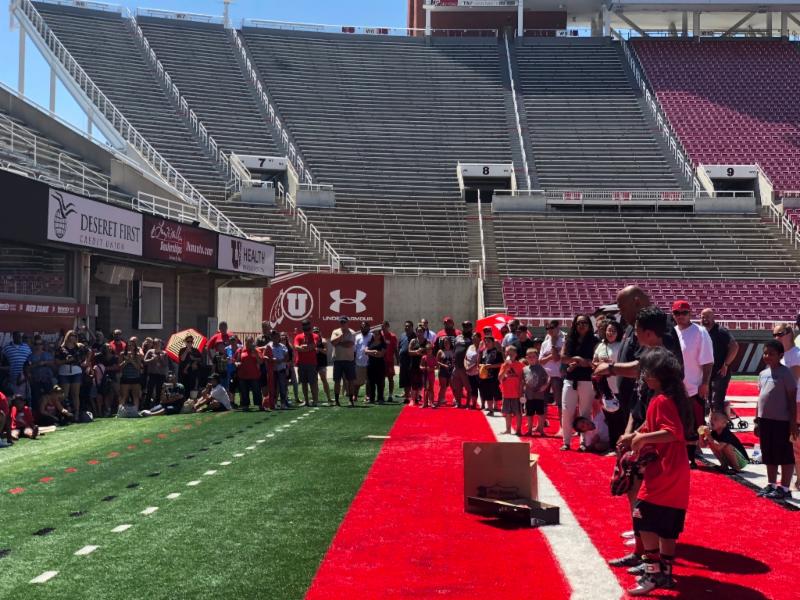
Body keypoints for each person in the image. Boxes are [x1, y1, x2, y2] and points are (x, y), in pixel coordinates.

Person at [603, 305, 684, 570]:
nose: (633, 336)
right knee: (633, 493)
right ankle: (644, 553)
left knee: (645, 500)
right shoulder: (650, 361)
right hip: (641, 433)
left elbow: (667, 423)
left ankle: (650, 557)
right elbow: (638, 404)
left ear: (649, 333)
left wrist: (638, 437)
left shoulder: (660, 365)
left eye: (637, 331)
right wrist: (628, 433)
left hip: (653, 442)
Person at [623, 347, 692, 596]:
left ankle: (652, 573)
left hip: (665, 472)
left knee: (644, 518)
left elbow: (672, 433)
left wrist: (640, 440)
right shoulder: (666, 398)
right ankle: (665, 573)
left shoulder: (662, 399)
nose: (644, 376)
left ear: (658, 375)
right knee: (668, 526)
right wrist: (635, 435)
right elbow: (653, 425)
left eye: (647, 372)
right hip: (675, 472)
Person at [672, 300, 713, 467]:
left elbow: (708, 361)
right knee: (675, 422)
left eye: (684, 313)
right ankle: (677, 455)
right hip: (674, 387)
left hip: (694, 386)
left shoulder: (700, 332)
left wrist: (705, 383)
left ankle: (691, 457)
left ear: (690, 314)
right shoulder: (671, 332)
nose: (680, 316)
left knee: (693, 423)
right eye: (677, 313)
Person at [755, 340, 797, 500]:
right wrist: (757, 420)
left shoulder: (786, 373)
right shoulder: (763, 374)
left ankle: (785, 488)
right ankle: (771, 484)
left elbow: (792, 400)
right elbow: (760, 398)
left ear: (780, 355)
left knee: (784, 454)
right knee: (769, 454)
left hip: (782, 421)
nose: (767, 356)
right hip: (765, 421)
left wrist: (793, 423)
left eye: (771, 354)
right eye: (765, 353)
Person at [560, 314, 598, 451]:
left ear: (589, 325)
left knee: (585, 412)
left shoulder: (595, 341)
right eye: (578, 323)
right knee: (566, 411)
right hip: (570, 379)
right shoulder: (570, 340)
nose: (581, 325)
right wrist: (575, 359)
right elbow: (563, 358)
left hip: (587, 380)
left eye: (584, 323)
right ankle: (567, 441)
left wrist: (581, 361)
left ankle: (584, 442)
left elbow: (595, 362)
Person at [775, 323, 800, 490]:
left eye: (780, 334)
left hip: (796, 403)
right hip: (785, 404)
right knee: (792, 445)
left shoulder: (796, 355)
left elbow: (792, 381)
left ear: (790, 333)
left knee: (797, 444)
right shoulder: (782, 357)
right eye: (774, 335)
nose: (777, 338)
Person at [701, 309, 739, 415]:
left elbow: (734, 346)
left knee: (715, 401)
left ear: (713, 317)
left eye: (707, 316)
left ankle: (718, 428)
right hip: (707, 372)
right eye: (703, 316)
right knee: (707, 401)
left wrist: (726, 364)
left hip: (719, 373)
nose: (705, 319)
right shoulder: (701, 332)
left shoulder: (721, 331)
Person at [594, 320, 624, 447]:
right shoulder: (601, 346)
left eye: (613, 331)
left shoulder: (622, 345)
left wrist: (611, 365)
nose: (610, 333)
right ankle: (612, 446)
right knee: (610, 418)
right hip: (605, 387)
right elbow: (594, 362)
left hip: (619, 385)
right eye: (608, 330)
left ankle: (621, 446)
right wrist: (600, 364)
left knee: (621, 419)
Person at [55, 330, 87, 417]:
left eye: (74, 336)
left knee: (75, 394)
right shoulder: (61, 348)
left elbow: (89, 352)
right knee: (64, 395)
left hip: (76, 371)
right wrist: (66, 360)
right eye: (71, 335)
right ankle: (65, 413)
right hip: (64, 372)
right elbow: (57, 362)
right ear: (67, 337)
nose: (73, 337)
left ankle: (76, 414)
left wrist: (86, 362)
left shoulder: (79, 347)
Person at [540, 320, 564, 434]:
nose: (550, 330)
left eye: (552, 328)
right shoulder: (545, 342)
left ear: (557, 327)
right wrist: (551, 355)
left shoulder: (563, 340)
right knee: (543, 401)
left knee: (559, 402)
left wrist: (554, 345)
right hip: (545, 374)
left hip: (557, 375)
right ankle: (541, 425)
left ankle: (562, 427)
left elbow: (556, 358)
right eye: (548, 328)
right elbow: (541, 361)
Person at [293, 320, 321, 407]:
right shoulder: (298, 336)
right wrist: (306, 348)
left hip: (312, 363)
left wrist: (304, 348)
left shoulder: (315, 335)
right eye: (304, 325)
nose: (306, 326)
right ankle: (307, 401)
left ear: (310, 325)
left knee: (313, 382)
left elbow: (313, 345)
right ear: (302, 326)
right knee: (304, 383)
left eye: (307, 325)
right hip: (301, 363)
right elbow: (296, 347)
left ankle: (315, 400)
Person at [330, 316, 356, 407]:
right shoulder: (335, 331)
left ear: (347, 322)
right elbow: (332, 342)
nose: (342, 324)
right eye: (341, 322)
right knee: (337, 381)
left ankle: (351, 400)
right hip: (338, 360)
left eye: (344, 322)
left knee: (351, 381)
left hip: (349, 360)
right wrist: (341, 337)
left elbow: (350, 344)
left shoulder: (352, 332)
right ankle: (337, 400)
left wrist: (339, 342)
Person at [27, 337, 55, 416]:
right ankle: (38, 418)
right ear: (34, 345)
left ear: (43, 345)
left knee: (49, 398)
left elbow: (54, 366)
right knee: (36, 399)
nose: (38, 346)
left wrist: (45, 362)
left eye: (40, 344)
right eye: (36, 344)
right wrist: (37, 364)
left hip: (47, 379)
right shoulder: (30, 356)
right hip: (36, 380)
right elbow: (27, 368)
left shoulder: (48, 354)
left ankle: (51, 416)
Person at [523, 348, 549, 436]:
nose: (531, 358)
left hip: (539, 395)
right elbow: (522, 381)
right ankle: (529, 430)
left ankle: (541, 430)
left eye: (533, 357)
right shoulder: (524, 369)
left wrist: (544, 386)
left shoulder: (541, 368)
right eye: (529, 357)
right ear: (526, 358)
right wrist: (522, 390)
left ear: (537, 357)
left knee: (540, 413)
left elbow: (548, 378)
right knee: (529, 413)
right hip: (529, 395)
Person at [499, 345, 524, 435]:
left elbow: (522, 380)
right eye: (507, 353)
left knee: (518, 413)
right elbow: (500, 378)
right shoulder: (503, 365)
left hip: (516, 394)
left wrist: (522, 393)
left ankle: (518, 430)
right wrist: (506, 368)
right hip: (506, 394)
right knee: (508, 413)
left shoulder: (520, 366)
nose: (509, 355)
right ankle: (508, 429)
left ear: (515, 354)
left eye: (511, 354)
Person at [236, 337, 264, 411]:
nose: (249, 344)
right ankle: (245, 405)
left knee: (256, 391)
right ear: (245, 342)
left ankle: (259, 405)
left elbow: (261, 362)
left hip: (254, 375)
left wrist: (255, 352)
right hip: (243, 375)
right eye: (248, 342)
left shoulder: (257, 350)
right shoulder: (240, 350)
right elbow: (236, 360)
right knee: (244, 391)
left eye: (251, 342)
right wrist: (237, 363)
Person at [479, 335, 503, 416]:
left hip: (494, 376)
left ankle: (497, 407)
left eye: (488, 341)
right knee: (487, 393)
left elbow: (501, 364)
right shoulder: (484, 352)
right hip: (485, 376)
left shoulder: (498, 352)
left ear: (493, 343)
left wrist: (491, 366)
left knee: (495, 392)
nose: (486, 343)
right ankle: (490, 410)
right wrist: (481, 366)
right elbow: (482, 362)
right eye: (485, 341)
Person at [452, 321, 474, 409]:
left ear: (471, 328)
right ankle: (458, 403)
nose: (466, 328)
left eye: (468, 326)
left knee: (468, 386)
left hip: (466, 366)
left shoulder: (472, 338)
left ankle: (468, 403)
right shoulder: (458, 337)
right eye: (464, 326)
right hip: (456, 365)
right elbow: (455, 349)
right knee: (456, 386)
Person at [3, 331, 31, 398]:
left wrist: (28, 373)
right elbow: (4, 360)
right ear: (13, 337)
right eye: (17, 336)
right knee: (15, 398)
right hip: (12, 377)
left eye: (20, 336)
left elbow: (30, 359)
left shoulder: (26, 346)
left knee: (26, 397)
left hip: (24, 377)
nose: (19, 338)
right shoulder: (7, 347)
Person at [118, 337, 144, 411]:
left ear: (134, 347)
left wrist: (132, 360)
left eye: (132, 345)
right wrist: (126, 361)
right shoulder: (122, 354)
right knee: (123, 396)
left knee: (135, 396)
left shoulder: (138, 355)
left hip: (135, 378)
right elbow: (119, 367)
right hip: (125, 378)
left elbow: (139, 368)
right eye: (129, 345)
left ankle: (135, 411)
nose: (130, 347)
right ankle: (120, 411)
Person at [408, 325, 430, 406]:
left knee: (423, 383)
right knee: (414, 382)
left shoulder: (427, 342)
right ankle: (413, 400)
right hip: (414, 364)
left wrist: (423, 351)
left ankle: (422, 399)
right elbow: (409, 352)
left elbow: (430, 352)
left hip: (424, 365)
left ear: (424, 332)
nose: (419, 333)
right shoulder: (413, 341)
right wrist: (417, 352)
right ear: (416, 332)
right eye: (418, 331)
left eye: (421, 331)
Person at [144, 338, 169, 409]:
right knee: (149, 391)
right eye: (155, 343)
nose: (157, 345)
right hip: (152, 374)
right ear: (153, 344)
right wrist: (152, 359)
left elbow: (165, 365)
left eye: (158, 343)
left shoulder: (164, 353)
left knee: (159, 391)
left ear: (161, 344)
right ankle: (146, 406)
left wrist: (160, 358)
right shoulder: (150, 351)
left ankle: (157, 407)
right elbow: (145, 362)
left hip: (161, 375)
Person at [268, 331, 290, 409]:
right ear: (271, 337)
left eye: (276, 337)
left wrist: (281, 360)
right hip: (272, 370)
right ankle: (274, 403)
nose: (275, 338)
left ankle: (283, 403)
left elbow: (287, 357)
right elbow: (265, 355)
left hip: (281, 369)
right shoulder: (268, 346)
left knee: (282, 387)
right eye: (273, 337)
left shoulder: (283, 346)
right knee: (273, 387)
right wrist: (271, 359)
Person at [365, 329, 388, 405]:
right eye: (374, 334)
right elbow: (365, 351)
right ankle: (372, 399)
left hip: (380, 365)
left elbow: (381, 354)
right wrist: (374, 352)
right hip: (371, 365)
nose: (375, 335)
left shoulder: (383, 344)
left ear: (380, 335)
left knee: (380, 382)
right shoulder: (369, 342)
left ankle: (380, 398)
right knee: (371, 382)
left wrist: (371, 352)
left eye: (377, 334)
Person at [354, 322, 373, 404]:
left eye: (364, 327)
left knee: (368, 381)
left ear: (369, 328)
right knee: (357, 381)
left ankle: (367, 396)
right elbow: (355, 350)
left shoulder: (372, 336)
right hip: (358, 362)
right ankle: (355, 395)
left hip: (369, 362)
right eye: (361, 327)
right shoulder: (357, 337)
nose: (363, 328)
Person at [397, 321, 415, 404]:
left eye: (408, 326)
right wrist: (398, 360)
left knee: (412, 379)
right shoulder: (402, 335)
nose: (406, 328)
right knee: (404, 380)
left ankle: (414, 396)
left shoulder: (415, 336)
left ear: (412, 327)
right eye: (405, 326)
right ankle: (407, 396)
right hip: (403, 362)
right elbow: (399, 347)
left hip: (412, 361)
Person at [313, 327, 332, 405]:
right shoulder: (312, 340)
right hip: (313, 363)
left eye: (317, 332)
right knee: (314, 381)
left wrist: (319, 349)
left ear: (320, 332)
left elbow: (326, 351)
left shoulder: (323, 340)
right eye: (314, 332)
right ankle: (316, 399)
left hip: (321, 363)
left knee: (324, 380)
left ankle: (329, 398)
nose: (316, 333)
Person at [436, 336, 455, 407]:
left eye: (448, 342)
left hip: (451, 370)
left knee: (453, 386)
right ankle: (440, 400)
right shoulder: (440, 351)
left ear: (450, 343)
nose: (446, 344)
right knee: (443, 387)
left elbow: (454, 360)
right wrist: (444, 365)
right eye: (445, 342)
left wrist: (453, 364)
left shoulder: (453, 351)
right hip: (443, 371)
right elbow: (437, 361)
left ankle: (455, 399)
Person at [381, 322, 398, 400]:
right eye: (382, 326)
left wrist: (398, 360)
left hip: (389, 361)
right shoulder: (379, 335)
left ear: (388, 326)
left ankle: (390, 395)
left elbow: (395, 349)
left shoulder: (393, 336)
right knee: (381, 378)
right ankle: (381, 394)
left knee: (390, 378)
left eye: (384, 326)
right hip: (381, 361)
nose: (383, 328)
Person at [282, 332, 300, 404]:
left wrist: (291, 363)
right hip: (284, 367)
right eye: (282, 338)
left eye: (285, 338)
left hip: (290, 366)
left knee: (295, 383)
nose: (284, 339)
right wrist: (286, 365)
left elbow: (293, 356)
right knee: (285, 383)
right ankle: (285, 398)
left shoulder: (290, 346)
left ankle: (296, 398)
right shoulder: (279, 346)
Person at [420, 343, 438, 408]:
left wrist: (432, 368)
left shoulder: (433, 357)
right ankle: (425, 403)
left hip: (431, 375)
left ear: (432, 350)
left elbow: (437, 366)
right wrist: (424, 368)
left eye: (430, 349)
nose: (429, 351)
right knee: (425, 389)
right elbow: (420, 366)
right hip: (425, 375)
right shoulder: (423, 357)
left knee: (431, 389)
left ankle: (432, 402)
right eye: (427, 349)